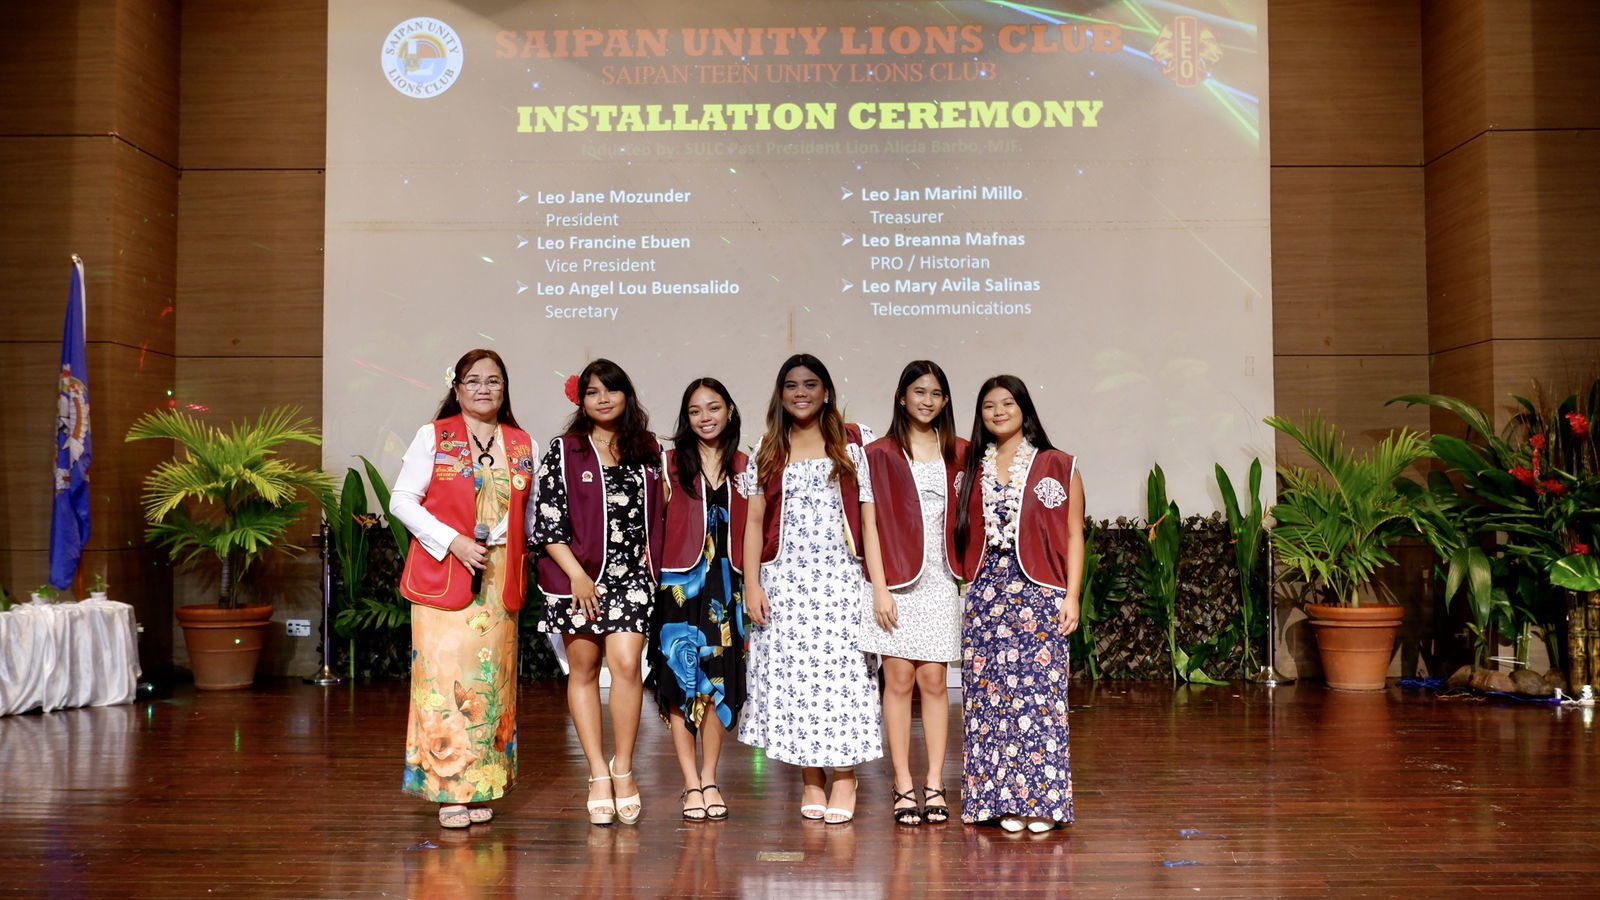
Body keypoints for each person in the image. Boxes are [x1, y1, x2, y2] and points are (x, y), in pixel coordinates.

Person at [738, 353, 888, 825]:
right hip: (785, 582)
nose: (800, 392)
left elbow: (868, 520)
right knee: (797, 682)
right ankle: (811, 778)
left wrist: (877, 587)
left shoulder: (849, 448)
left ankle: (844, 775)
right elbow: (754, 522)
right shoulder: (767, 449)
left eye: (810, 384)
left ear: (826, 391)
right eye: (791, 385)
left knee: (844, 679)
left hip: (840, 581)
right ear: (780, 394)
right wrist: (751, 584)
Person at [393, 349, 536, 829]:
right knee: (443, 683)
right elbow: (402, 500)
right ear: (456, 388)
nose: (483, 389)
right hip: (446, 570)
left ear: (504, 389)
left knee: (489, 685)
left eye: (494, 381)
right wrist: (451, 541)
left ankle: (482, 786)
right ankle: (447, 791)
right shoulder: (433, 436)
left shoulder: (522, 443)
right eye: (473, 381)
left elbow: (529, 513)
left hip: (498, 580)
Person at [532, 358, 664, 825]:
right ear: (581, 401)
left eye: (611, 390)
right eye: (592, 392)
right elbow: (547, 522)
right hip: (577, 577)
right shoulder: (565, 450)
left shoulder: (648, 449)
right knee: (584, 669)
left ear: (626, 395)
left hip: (633, 576)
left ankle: (624, 768)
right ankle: (597, 774)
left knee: (628, 665)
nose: (603, 399)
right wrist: (577, 577)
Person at [952, 374, 1084, 834]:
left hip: (1041, 591)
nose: (998, 412)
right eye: (989, 406)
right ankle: (1000, 799)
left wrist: (1072, 595)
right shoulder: (971, 467)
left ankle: (1042, 804)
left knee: (1040, 699)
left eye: (1007, 403)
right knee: (991, 700)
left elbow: (1073, 533)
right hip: (987, 595)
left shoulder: (1057, 464)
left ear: (1024, 408)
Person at [861, 361, 967, 826]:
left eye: (936, 393)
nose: (927, 400)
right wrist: (879, 588)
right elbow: (869, 523)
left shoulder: (960, 452)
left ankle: (935, 782)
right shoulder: (878, 453)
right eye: (918, 391)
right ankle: (903, 783)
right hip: (896, 583)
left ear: (945, 401)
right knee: (898, 681)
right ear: (902, 397)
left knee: (934, 684)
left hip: (941, 581)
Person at [646, 378, 749, 821]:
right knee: (679, 684)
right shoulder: (668, 463)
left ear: (729, 410)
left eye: (713, 408)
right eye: (694, 411)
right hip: (679, 587)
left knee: (718, 682)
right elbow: (653, 527)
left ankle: (710, 777)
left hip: (727, 589)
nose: (705, 417)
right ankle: (690, 783)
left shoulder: (747, 464)